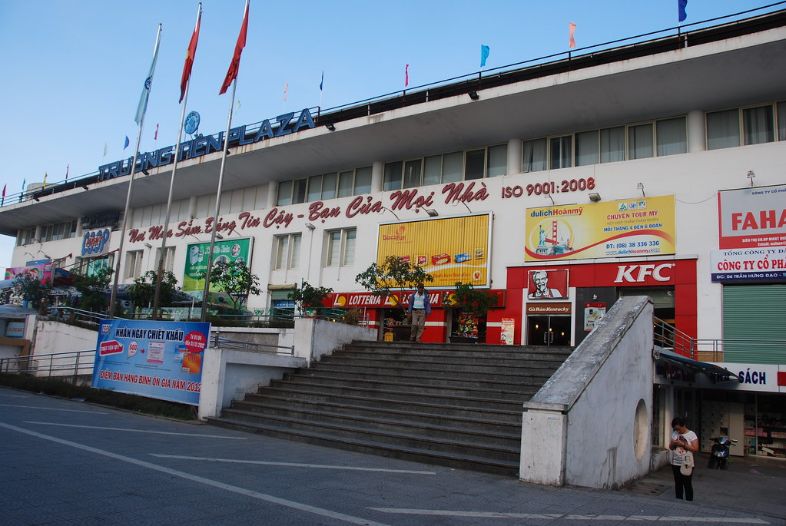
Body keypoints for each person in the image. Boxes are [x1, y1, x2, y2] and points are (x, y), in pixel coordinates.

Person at [669, 417, 699, 501]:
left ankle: (689, 501)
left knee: (687, 483)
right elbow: (670, 447)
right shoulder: (674, 434)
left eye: (679, 429)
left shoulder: (691, 434)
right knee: (678, 483)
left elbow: (695, 449)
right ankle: (679, 500)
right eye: (675, 429)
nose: (677, 431)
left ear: (683, 426)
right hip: (676, 462)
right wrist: (673, 443)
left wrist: (683, 444)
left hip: (687, 463)